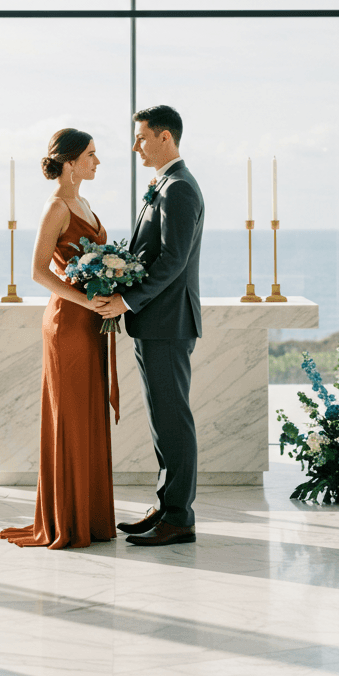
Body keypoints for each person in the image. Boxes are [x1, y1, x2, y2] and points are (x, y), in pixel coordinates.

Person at [0, 128, 118, 549]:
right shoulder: (56, 207)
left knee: (88, 413)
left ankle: (92, 517)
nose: (97, 162)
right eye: (91, 155)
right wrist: (88, 300)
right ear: (69, 163)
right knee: (69, 414)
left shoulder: (83, 201)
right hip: (69, 322)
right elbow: (38, 272)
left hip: (90, 321)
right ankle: (67, 519)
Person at [94, 104, 204, 547]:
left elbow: (174, 261)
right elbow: (150, 255)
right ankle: (166, 505)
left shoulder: (179, 189)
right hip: (154, 322)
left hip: (168, 322)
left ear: (165, 138)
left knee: (173, 419)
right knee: (162, 419)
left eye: (141, 137)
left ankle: (179, 517)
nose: (136, 146)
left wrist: (125, 298)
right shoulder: (164, 185)